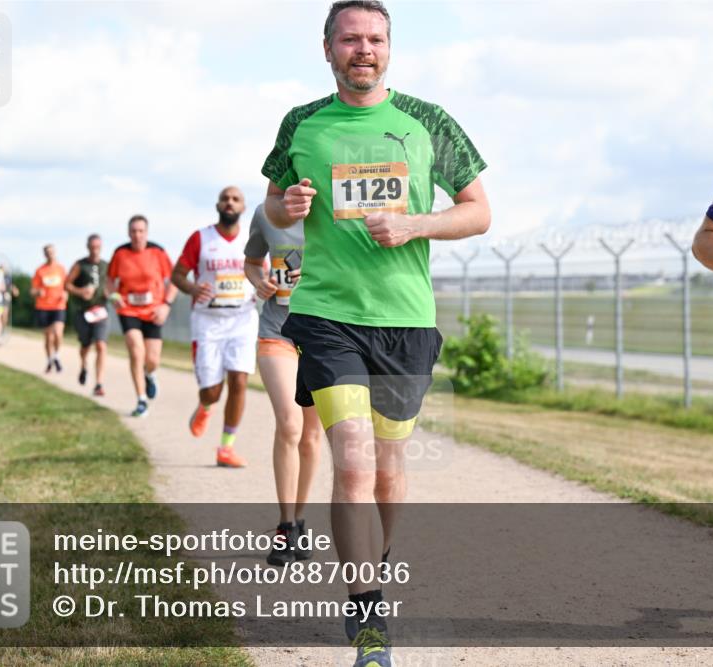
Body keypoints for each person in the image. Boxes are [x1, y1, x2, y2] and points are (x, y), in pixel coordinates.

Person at [261, 2, 490, 664]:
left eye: (376, 39)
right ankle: (366, 615)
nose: (364, 49)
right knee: (354, 461)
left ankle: (375, 561)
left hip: (405, 319)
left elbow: (479, 212)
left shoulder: (428, 122)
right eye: (350, 39)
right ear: (327, 47)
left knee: (389, 470)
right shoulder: (302, 123)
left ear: (389, 48)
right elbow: (274, 199)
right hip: (329, 315)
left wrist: (417, 223)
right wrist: (288, 205)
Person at [244, 203, 323, 563]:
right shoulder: (266, 213)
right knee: (290, 424)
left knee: (311, 435)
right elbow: (251, 261)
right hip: (277, 331)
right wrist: (259, 281)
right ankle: (285, 525)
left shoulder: (335, 210)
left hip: (324, 333)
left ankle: (300, 519)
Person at [171, 187, 258, 468]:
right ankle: (205, 405)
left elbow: (264, 271)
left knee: (240, 381)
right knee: (212, 391)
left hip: (242, 319)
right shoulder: (201, 238)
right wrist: (193, 288)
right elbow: (177, 275)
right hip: (208, 322)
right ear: (217, 205)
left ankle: (226, 448)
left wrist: (263, 285)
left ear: (243, 207)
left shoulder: (253, 238)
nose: (229, 203)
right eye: (225, 198)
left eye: (235, 199)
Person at [108, 215, 177, 418]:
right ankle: (141, 400)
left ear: (146, 232)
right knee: (136, 352)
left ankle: (150, 374)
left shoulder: (158, 252)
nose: (137, 235)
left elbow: (173, 280)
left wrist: (166, 305)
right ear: (128, 233)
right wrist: (114, 295)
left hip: (153, 310)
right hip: (128, 309)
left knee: (152, 359)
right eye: (133, 231)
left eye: (141, 231)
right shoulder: (120, 253)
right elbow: (110, 280)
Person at [66, 234, 110, 397]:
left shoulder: (107, 266)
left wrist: (110, 292)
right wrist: (81, 291)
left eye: (98, 247)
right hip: (83, 312)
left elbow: (113, 285)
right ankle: (84, 365)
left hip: (101, 311)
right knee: (85, 346)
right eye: (92, 247)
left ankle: (99, 383)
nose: (95, 251)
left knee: (101, 345)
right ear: (88, 247)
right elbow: (67, 284)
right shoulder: (80, 265)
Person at [31, 245, 68, 372]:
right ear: (44, 254)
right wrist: (37, 293)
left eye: (51, 252)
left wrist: (66, 293)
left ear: (55, 253)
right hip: (43, 306)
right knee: (48, 337)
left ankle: (56, 356)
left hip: (58, 305)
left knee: (58, 333)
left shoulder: (61, 269)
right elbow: (32, 290)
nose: (50, 254)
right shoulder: (40, 270)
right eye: (47, 252)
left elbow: (67, 285)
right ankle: (49, 360)